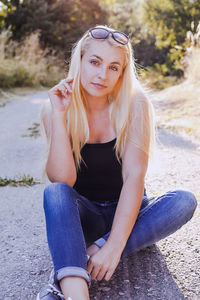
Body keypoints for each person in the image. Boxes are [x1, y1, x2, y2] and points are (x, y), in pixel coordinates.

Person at [36, 25, 197, 300]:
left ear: (123, 72)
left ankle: (79, 261)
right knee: (54, 193)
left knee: (184, 201)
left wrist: (111, 246)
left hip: (129, 212)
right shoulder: (56, 107)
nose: (102, 74)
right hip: (85, 216)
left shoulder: (135, 104)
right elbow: (63, 182)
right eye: (95, 62)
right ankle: (76, 292)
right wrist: (60, 118)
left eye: (114, 67)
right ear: (81, 62)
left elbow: (135, 177)